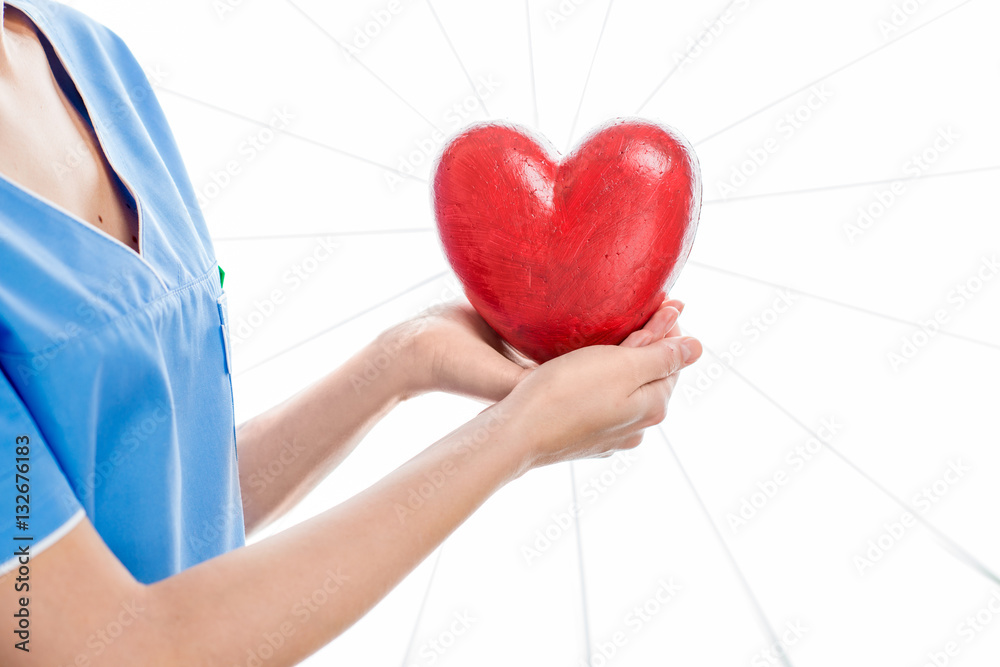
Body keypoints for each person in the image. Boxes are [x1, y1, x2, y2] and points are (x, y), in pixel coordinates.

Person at [0, 0, 703, 663]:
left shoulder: (85, 54)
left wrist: (402, 361)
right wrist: (516, 435)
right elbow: (106, 644)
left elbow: (162, 497)